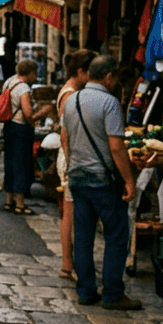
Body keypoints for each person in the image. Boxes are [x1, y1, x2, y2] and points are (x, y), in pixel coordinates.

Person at [61, 55, 141, 310]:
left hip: (78, 177)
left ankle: (86, 291)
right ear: (108, 77)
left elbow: (65, 137)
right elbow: (116, 146)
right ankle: (112, 293)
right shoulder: (110, 102)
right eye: (115, 78)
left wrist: (73, 165)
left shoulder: (72, 99)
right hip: (103, 180)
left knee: (83, 236)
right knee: (116, 236)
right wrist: (129, 180)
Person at [55, 49, 96, 281]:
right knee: (70, 213)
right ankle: (67, 264)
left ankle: (69, 263)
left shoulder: (73, 91)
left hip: (72, 156)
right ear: (80, 72)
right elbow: (66, 135)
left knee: (71, 211)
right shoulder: (70, 95)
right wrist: (72, 164)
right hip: (71, 157)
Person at [0, 58, 54, 215]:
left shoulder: (10, 81)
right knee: (21, 165)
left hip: (9, 126)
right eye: (35, 73)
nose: (35, 77)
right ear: (30, 73)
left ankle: (9, 200)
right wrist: (42, 113)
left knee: (9, 163)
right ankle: (20, 203)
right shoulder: (23, 88)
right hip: (20, 129)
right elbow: (28, 114)